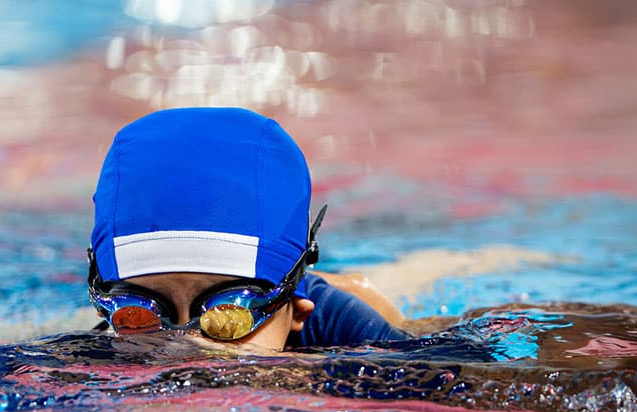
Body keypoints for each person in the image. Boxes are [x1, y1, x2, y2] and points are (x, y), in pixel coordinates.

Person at [87, 107, 411, 353]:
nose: (182, 350)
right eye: (143, 318)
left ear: (297, 311)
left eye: (229, 318)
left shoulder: (351, 330)